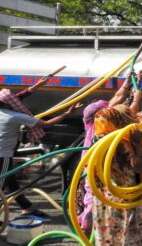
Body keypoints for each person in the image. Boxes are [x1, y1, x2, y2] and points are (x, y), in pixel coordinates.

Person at [0, 88, 82, 217]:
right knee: (2, 186)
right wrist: (67, 114)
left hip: (4, 153)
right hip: (3, 155)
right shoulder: (15, 116)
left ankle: (27, 207)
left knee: (10, 183)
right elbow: (46, 124)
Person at [91, 107, 142, 245]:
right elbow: (138, 166)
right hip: (124, 195)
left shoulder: (96, 138)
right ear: (116, 120)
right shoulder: (120, 141)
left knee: (108, 232)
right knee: (126, 233)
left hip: (104, 194)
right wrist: (138, 144)